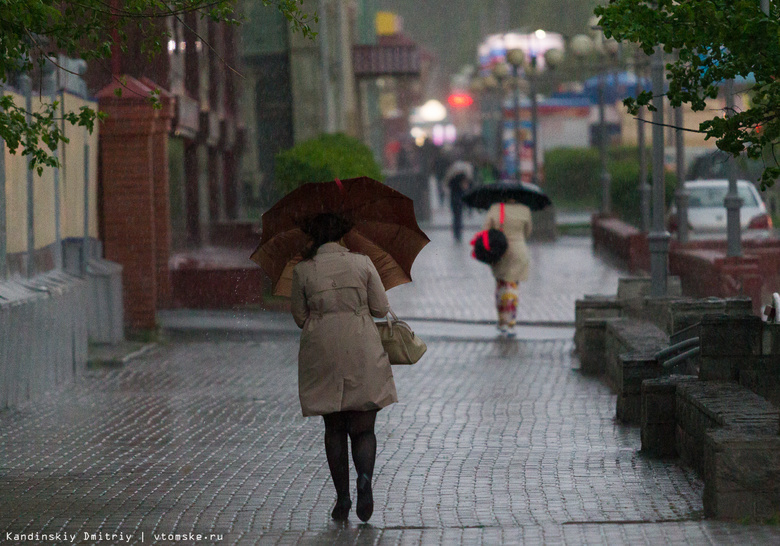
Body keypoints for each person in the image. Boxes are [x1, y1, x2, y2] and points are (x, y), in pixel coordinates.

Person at [290, 213, 397, 523]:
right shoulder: (362, 263)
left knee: (334, 428)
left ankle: (343, 498)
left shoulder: (302, 270)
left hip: (322, 350)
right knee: (363, 428)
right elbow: (379, 308)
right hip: (361, 346)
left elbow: (299, 316)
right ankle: (365, 481)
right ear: (341, 235)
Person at [481, 199, 532, 336]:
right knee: (513, 285)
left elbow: (486, 230)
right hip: (519, 250)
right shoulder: (525, 209)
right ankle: (511, 322)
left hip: (500, 251)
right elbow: (528, 232)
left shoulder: (495, 208)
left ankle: (502, 321)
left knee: (501, 284)